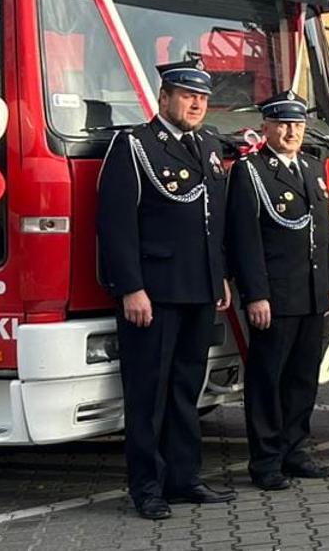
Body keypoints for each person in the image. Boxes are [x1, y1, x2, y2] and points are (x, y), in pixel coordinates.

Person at [97, 61, 236, 519]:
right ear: (163, 98)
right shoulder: (134, 146)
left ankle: (183, 477)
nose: (196, 104)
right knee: (148, 394)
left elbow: (213, 223)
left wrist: (219, 279)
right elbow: (117, 225)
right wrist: (131, 288)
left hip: (198, 290)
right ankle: (147, 488)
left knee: (185, 391)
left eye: (202, 97)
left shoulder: (209, 147)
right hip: (153, 295)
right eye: (185, 95)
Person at [227, 92, 329, 491]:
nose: (291, 131)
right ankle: (266, 461)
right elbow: (245, 240)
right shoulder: (251, 171)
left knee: (302, 379)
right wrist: (255, 294)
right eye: (283, 124)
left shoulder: (311, 167)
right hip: (275, 297)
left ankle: (296, 450)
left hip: (311, 294)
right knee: (268, 381)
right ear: (267, 128)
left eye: (297, 124)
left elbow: (323, 235)